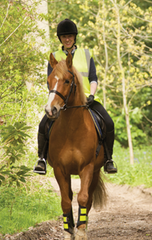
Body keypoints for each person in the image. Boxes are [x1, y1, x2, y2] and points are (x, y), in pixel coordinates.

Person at [33, 19, 117, 175]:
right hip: (61, 101)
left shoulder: (86, 54)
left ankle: (108, 159)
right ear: (60, 39)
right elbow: (51, 82)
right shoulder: (54, 56)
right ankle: (42, 159)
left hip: (86, 99)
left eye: (70, 36)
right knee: (43, 125)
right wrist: (56, 101)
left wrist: (91, 94)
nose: (67, 39)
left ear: (74, 37)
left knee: (109, 123)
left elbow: (93, 78)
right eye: (64, 36)